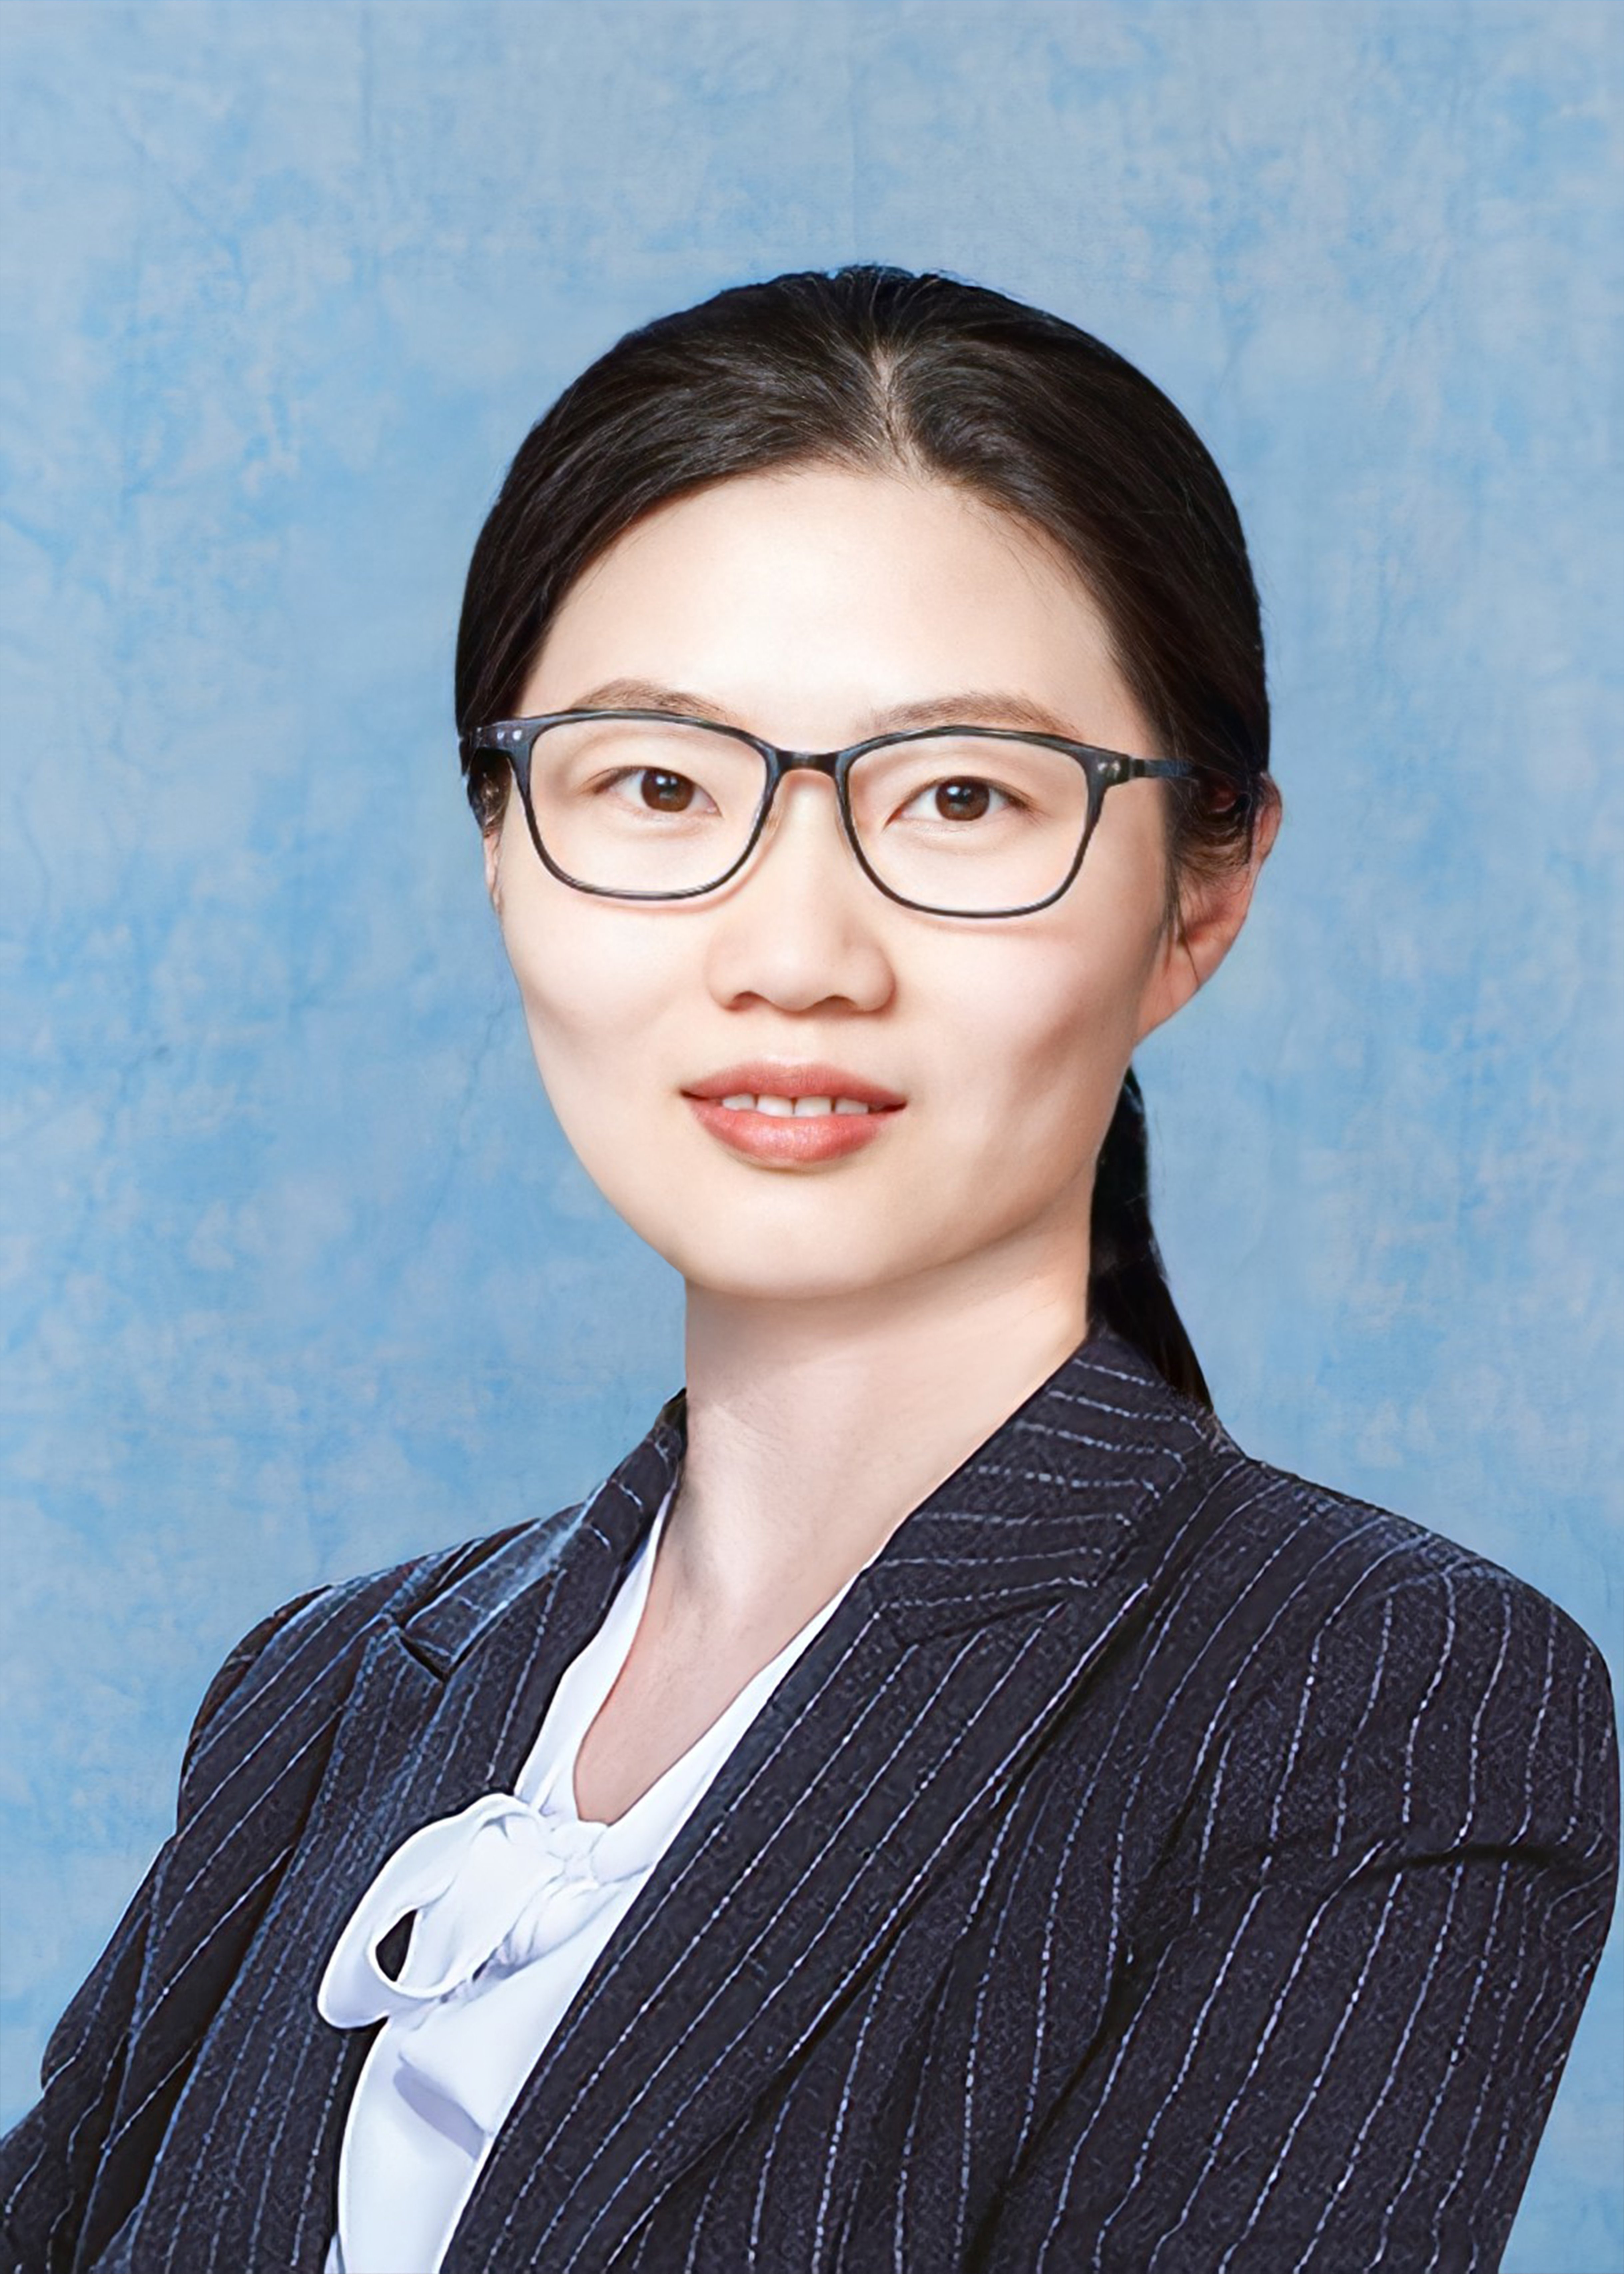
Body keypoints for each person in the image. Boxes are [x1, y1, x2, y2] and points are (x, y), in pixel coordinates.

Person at [2, 264, 1616, 2274]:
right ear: (499, 841)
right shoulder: (323, 1690)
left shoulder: (1373, 1700)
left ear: (1201, 898)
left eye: (963, 798)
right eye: (657, 785)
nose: (795, 953)